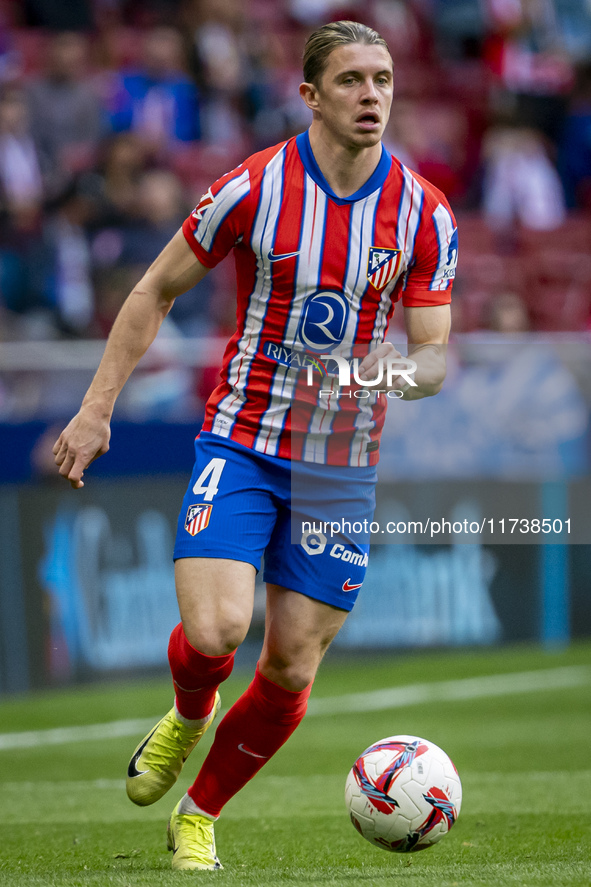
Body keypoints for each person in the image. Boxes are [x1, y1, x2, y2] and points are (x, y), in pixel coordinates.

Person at [53, 20, 455, 872]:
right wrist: (96, 410)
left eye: (382, 78)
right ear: (310, 96)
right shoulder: (254, 187)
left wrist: (375, 379)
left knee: (290, 659)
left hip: (340, 467)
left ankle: (198, 814)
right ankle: (189, 713)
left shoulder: (422, 211)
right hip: (243, 439)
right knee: (216, 630)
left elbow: (432, 360)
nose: (372, 96)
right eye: (350, 81)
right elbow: (154, 289)